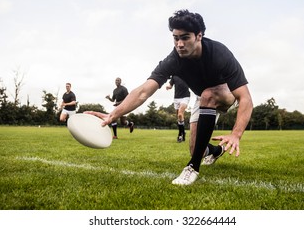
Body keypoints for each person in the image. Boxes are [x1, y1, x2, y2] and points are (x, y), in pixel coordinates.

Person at [87, 9, 253, 185]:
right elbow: (143, 91)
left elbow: (246, 99)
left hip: (228, 94)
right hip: (202, 99)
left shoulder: (219, 54)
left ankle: (192, 168)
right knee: (196, 148)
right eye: (176, 38)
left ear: (199, 36)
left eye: (185, 37)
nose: (179, 44)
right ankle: (215, 151)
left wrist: (236, 134)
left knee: (208, 94)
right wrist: (113, 114)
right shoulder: (173, 60)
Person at [166, 75, 190, 143]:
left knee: (180, 114)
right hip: (176, 98)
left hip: (185, 97)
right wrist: (168, 87)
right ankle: (183, 131)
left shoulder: (187, 73)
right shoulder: (174, 76)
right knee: (179, 117)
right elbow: (170, 85)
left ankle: (180, 134)